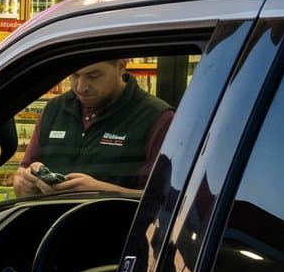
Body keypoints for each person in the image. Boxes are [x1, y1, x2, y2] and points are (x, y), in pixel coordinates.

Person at [14, 58, 174, 197]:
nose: (81, 87)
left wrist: (101, 192)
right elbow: (24, 172)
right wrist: (25, 184)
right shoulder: (55, 108)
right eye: (74, 75)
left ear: (121, 66)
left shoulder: (157, 117)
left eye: (93, 76)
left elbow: (166, 199)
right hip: (50, 227)